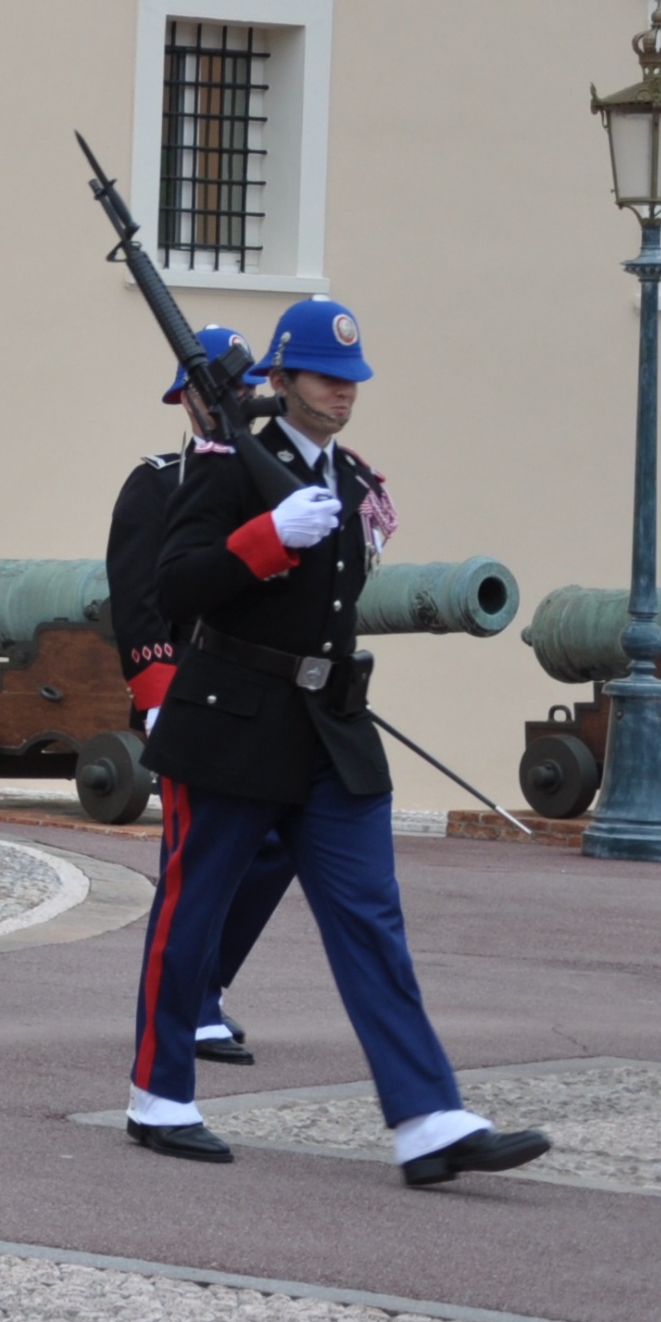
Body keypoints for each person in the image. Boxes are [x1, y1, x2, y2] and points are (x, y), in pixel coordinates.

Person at [126, 299, 550, 1185]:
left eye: (351, 379)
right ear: (279, 381)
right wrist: (263, 538)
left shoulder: (353, 481)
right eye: (324, 377)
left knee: (370, 920)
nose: (342, 392)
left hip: (329, 731)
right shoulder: (225, 469)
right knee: (191, 912)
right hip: (231, 727)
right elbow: (173, 588)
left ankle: (426, 1117)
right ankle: (158, 1096)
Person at [108, 326, 294, 1067]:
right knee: (199, 854)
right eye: (216, 390)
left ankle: (204, 983)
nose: (229, 401)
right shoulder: (158, 482)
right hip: (189, 693)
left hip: (260, 692)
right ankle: (194, 1005)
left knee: (275, 847)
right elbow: (137, 598)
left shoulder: (274, 480)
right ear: (185, 398)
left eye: (242, 389)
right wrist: (157, 694)